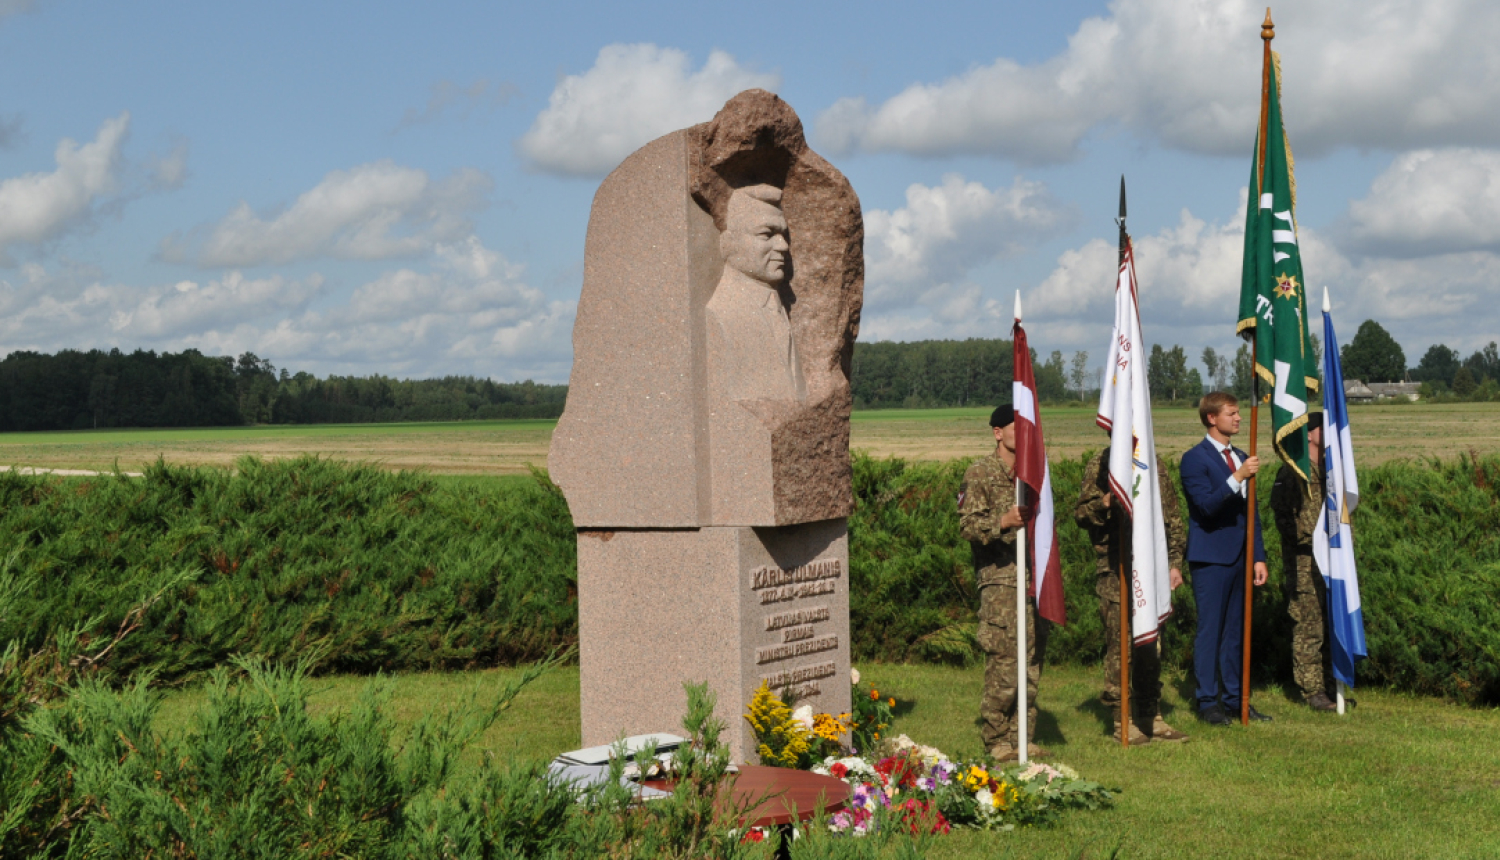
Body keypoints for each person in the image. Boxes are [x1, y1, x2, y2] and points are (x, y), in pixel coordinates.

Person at [1075, 452, 1190, 743]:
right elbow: (1082, 514)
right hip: (1117, 567)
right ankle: (1121, 718)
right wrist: (1104, 503)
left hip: (1151, 568)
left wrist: (1174, 563)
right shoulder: (1101, 464)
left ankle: (1151, 714)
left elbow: (1171, 517)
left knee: (1151, 644)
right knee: (1120, 646)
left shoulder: (1154, 461)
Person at [958, 404, 1047, 762]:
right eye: (1015, 428)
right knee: (1005, 665)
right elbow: (966, 526)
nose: (1023, 434)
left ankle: (1022, 736)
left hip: (1032, 580)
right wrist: (1003, 522)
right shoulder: (980, 472)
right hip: (1000, 582)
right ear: (997, 432)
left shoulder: (1033, 474)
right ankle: (997, 741)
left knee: (1031, 664)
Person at [1180, 391, 1270, 726]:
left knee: (1235, 632)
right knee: (1211, 630)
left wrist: (1258, 556)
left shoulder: (1242, 456)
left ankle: (1235, 699)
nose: (1238, 418)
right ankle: (1207, 701)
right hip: (1211, 559)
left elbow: (1252, 514)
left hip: (1241, 558)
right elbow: (1205, 506)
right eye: (1231, 413)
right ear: (1211, 418)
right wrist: (1238, 478)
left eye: (1238, 413)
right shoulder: (1195, 459)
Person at [705, 184, 805, 403]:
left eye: (783, 234)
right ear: (727, 242)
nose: (783, 246)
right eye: (766, 234)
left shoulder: (780, 307)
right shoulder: (720, 315)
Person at [1271, 422, 1338, 711]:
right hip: (1304, 562)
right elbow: (1283, 517)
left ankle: (1331, 684)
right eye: (1321, 428)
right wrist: (1311, 540)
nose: (1327, 432)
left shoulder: (1332, 473)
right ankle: (1312, 689)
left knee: (1330, 622)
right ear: (1308, 433)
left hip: (1331, 563)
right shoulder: (1292, 471)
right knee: (1309, 624)